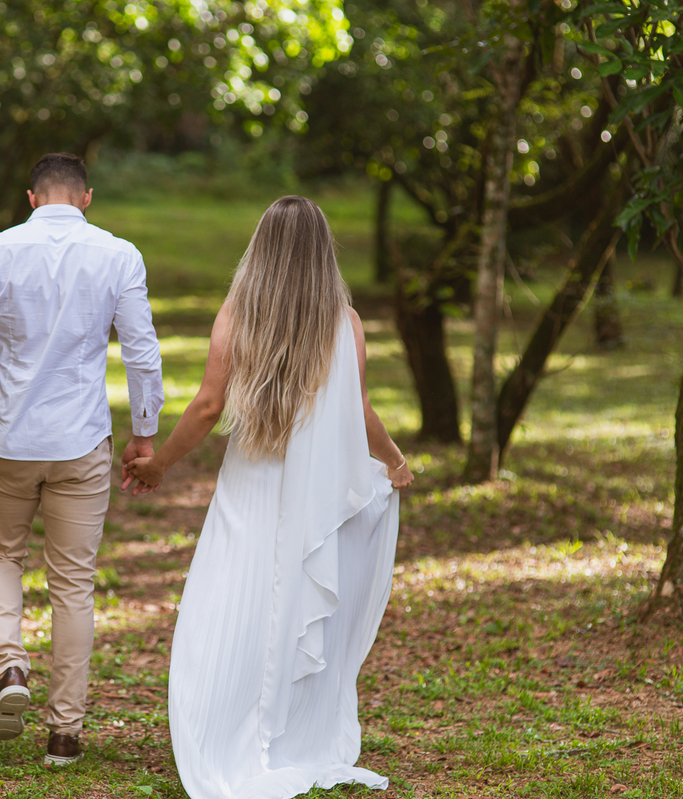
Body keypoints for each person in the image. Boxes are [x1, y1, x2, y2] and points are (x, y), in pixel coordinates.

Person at [125, 196, 414, 798]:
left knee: (229, 603)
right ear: (323, 251)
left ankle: (226, 730)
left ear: (262, 246)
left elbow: (209, 405)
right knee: (294, 606)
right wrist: (394, 460)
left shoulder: (240, 312)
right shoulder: (345, 322)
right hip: (310, 494)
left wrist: (160, 466)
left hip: (250, 486)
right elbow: (359, 412)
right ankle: (288, 734)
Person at [0, 153, 164, 766]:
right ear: (86, 198)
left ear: (32, 198)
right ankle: (65, 732)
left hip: (9, 439)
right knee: (73, 585)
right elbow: (141, 352)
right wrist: (144, 434)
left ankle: (10, 666)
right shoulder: (120, 255)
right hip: (82, 442)